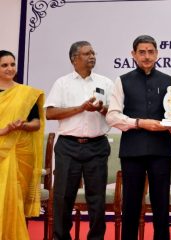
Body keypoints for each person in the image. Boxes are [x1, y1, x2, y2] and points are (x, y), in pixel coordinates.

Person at [106, 35, 171, 240]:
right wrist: (139, 123)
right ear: (133, 55)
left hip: (161, 150)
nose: (146, 56)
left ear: (157, 54)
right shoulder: (122, 81)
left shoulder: (170, 81)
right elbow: (112, 116)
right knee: (130, 204)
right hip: (132, 150)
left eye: (150, 52)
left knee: (161, 205)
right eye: (142, 52)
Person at [45, 41, 113, 240]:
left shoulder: (105, 82)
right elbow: (50, 113)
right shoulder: (62, 83)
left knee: (97, 199)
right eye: (86, 53)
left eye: (93, 53)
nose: (92, 56)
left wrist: (101, 108)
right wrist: (80, 108)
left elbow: (115, 114)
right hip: (68, 146)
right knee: (63, 198)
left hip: (97, 146)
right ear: (74, 59)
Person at [0, 50, 45, 239]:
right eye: (4, 65)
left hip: (19, 155)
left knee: (13, 201)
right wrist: (4, 130)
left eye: (12, 64)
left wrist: (22, 125)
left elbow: (36, 123)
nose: (10, 69)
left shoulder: (26, 93)